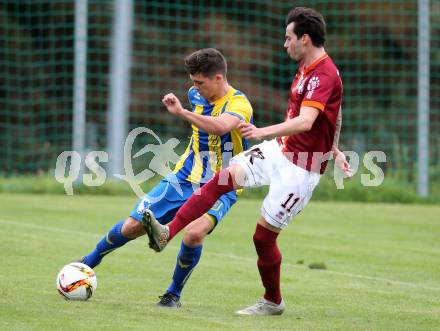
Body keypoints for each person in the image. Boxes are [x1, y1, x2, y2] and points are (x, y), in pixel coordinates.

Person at [143, 7, 353, 315]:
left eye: (288, 37)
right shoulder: (308, 68)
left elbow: (308, 121)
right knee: (224, 177)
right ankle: (167, 232)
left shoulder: (323, 73)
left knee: (262, 237)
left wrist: (262, 131)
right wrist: (335, 147)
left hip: (301, 168)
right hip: (281, 151)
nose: (285, 44)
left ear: (305, 39)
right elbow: (334, 111)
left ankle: (273, 301)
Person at [78, 48, 253, 308]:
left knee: (194, 233)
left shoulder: (239, 104)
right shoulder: (195, 95)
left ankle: (173, 294)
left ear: (218, 78)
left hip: (223, 183)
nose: (195, 87)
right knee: (131, 227)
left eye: (200, 82)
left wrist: (182, 113)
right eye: (193, 82)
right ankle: (85, 265)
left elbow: (221, 127)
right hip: (183, 176)